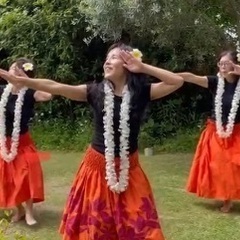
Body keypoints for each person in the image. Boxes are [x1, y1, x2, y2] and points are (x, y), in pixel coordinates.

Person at [0, 43, 183, 239]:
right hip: (96, 171)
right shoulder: (95, 91)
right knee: (96, 229)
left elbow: (177, 81)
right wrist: (25, 81)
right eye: (107, 57)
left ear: (128, 63)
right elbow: (57, 87)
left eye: (113, 57)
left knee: (141, 229)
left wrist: (143, 67)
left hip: (130, 171)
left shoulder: (141, 93)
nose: (107, 61)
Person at [178, 50, 240, 213]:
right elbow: (192, 77)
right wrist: (172, 75)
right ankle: (226, 199)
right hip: (216, 131)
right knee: (219, 165)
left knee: (233, 166)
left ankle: (229, 198)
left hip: (236, 132)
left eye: (227, 63)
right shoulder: (215, 82)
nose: (223, 67)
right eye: (220, 63)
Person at [0, 58, 52, 225]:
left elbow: (48, 95)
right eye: (11, 68)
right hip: (3, 143)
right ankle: (19, 210)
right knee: (8, 179)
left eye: (16, 70)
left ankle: (30, 213)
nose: (12, 71)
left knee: (26, 176)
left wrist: (28, 82)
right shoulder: (2, 91)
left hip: (22, 142)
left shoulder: (30, 93)